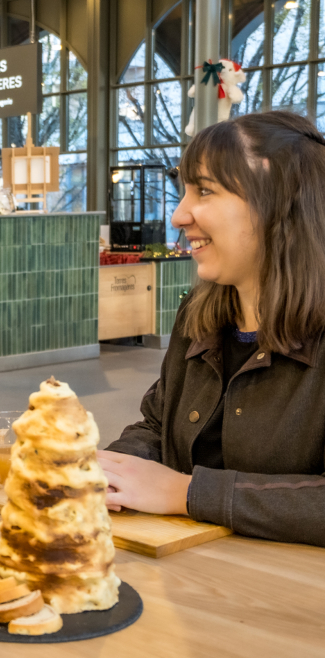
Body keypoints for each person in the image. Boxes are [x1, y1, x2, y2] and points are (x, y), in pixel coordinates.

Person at [100, 110, 325, 548]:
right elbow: (157, 425)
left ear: (281, 201)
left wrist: (187, 493)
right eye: (184, 191)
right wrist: (111, 470)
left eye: (204, 190)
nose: (179, 216)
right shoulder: (198, 315)